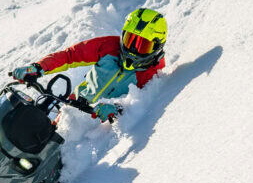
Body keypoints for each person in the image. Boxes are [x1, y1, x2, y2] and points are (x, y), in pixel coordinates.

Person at [11, 8, 167, 123]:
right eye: (129, 40)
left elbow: (143, 103)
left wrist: (117, 107)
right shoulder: (109, 46)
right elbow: (70, 55)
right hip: (72, 109)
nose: (132, 49)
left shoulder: (154, 73)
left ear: (156, 47)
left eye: (142, 46)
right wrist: (38, 67)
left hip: (100, 128)